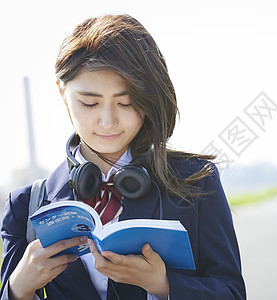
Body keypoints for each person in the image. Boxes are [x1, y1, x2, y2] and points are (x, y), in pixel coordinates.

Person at [1, 14, 246, 300]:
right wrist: (19, 288)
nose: (107, 121)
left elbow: (232, 294)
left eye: (126, 102)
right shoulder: (25, 207)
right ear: (61, 93)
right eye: (89, 103)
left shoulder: (196, 181)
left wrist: (164, 285)